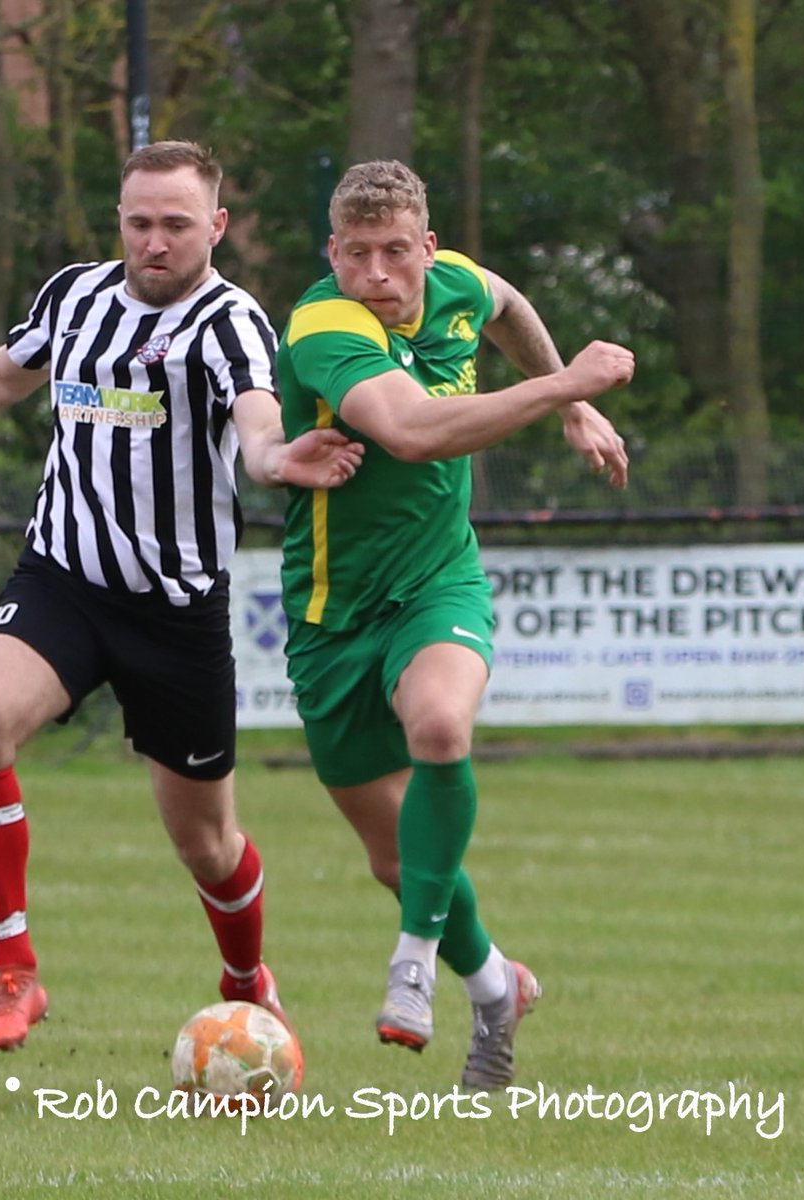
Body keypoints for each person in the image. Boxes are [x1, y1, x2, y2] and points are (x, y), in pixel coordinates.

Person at [0, 140, 362, 1055]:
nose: (155, 242)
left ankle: (244, 978)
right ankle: (15, 972)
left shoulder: (231, 324)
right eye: (139, 222)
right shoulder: (74, 293)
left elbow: (258, 425)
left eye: (177, 226)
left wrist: (278, 464)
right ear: (119, 219)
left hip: (177, 610)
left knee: (208, 844)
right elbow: (0, 375)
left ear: (216, 228)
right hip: (61, 580)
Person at [275, 159, 633, 1089]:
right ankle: (492, 987)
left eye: (398, 253)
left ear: (429, 249)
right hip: (329, 616)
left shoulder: (457, 284)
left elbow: (508, 304)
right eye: (358, 256)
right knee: (395, 856)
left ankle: (412, 963)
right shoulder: (324, 324)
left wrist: (573, 397)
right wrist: (565, 392)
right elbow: (412, 431)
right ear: (333, 253)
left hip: (439, 581)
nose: (380, 275)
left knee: (440, 724)